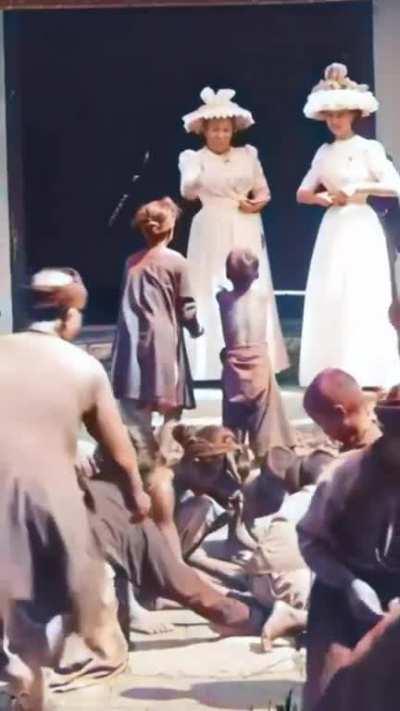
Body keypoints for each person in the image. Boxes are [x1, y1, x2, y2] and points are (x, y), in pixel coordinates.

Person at [0, 268, 151, 710]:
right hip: (49, 501)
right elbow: (120, 450)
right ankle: (51, 679)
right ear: (69, 316)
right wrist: (137, 494)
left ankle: (22, 671)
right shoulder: (83, 367)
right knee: (81, 598)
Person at [297, 62, 400, 387]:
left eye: (341, 114)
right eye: (329, 115)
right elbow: (302, 191)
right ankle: (332, 368)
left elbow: (394, 185)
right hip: (334, 226)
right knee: (333, 292)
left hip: (361, 224)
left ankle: (369, 369)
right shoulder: (324, 152)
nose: (335, 121)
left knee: (362, 293)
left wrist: (359, 188)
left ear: (354, 114)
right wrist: (319, 199)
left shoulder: (368, 149)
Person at [297, 389, 399, 710]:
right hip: (342, 592)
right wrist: (348, 583)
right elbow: (311, 540)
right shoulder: (343, 474)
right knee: (332, 696)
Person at [179, 86, 288, 380]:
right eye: (214, 129)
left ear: (232, 131)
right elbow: (187, 192)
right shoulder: (193, 157)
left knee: (248, 284)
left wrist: (256, 205)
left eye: (225, 130)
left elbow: (264, 192)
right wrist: (195, 173)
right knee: (211, 284)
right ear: (204, 130)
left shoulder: (247, 155)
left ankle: (256, 358)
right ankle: (208, 363)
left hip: (245, 223)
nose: (219, 135)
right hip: (211, 224)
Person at [111, 197, 203, 427]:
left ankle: (144, 454)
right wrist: (196, 329)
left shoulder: (131, 262)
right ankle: (163, 454)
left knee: (134, 405)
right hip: (163, 341)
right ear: (171, 228)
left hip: (130, 340)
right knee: (171, 407)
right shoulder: (177, 262)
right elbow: (187, 307)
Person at [217, 248, 296, 460]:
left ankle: (234, 455)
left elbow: (222, 292)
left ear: (227, 274)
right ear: (256, 274)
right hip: (259, 363)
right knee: (264, 416)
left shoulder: (222, 299)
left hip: (234, 363)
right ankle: (263, 453)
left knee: (233, 418)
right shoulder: (262, 297)